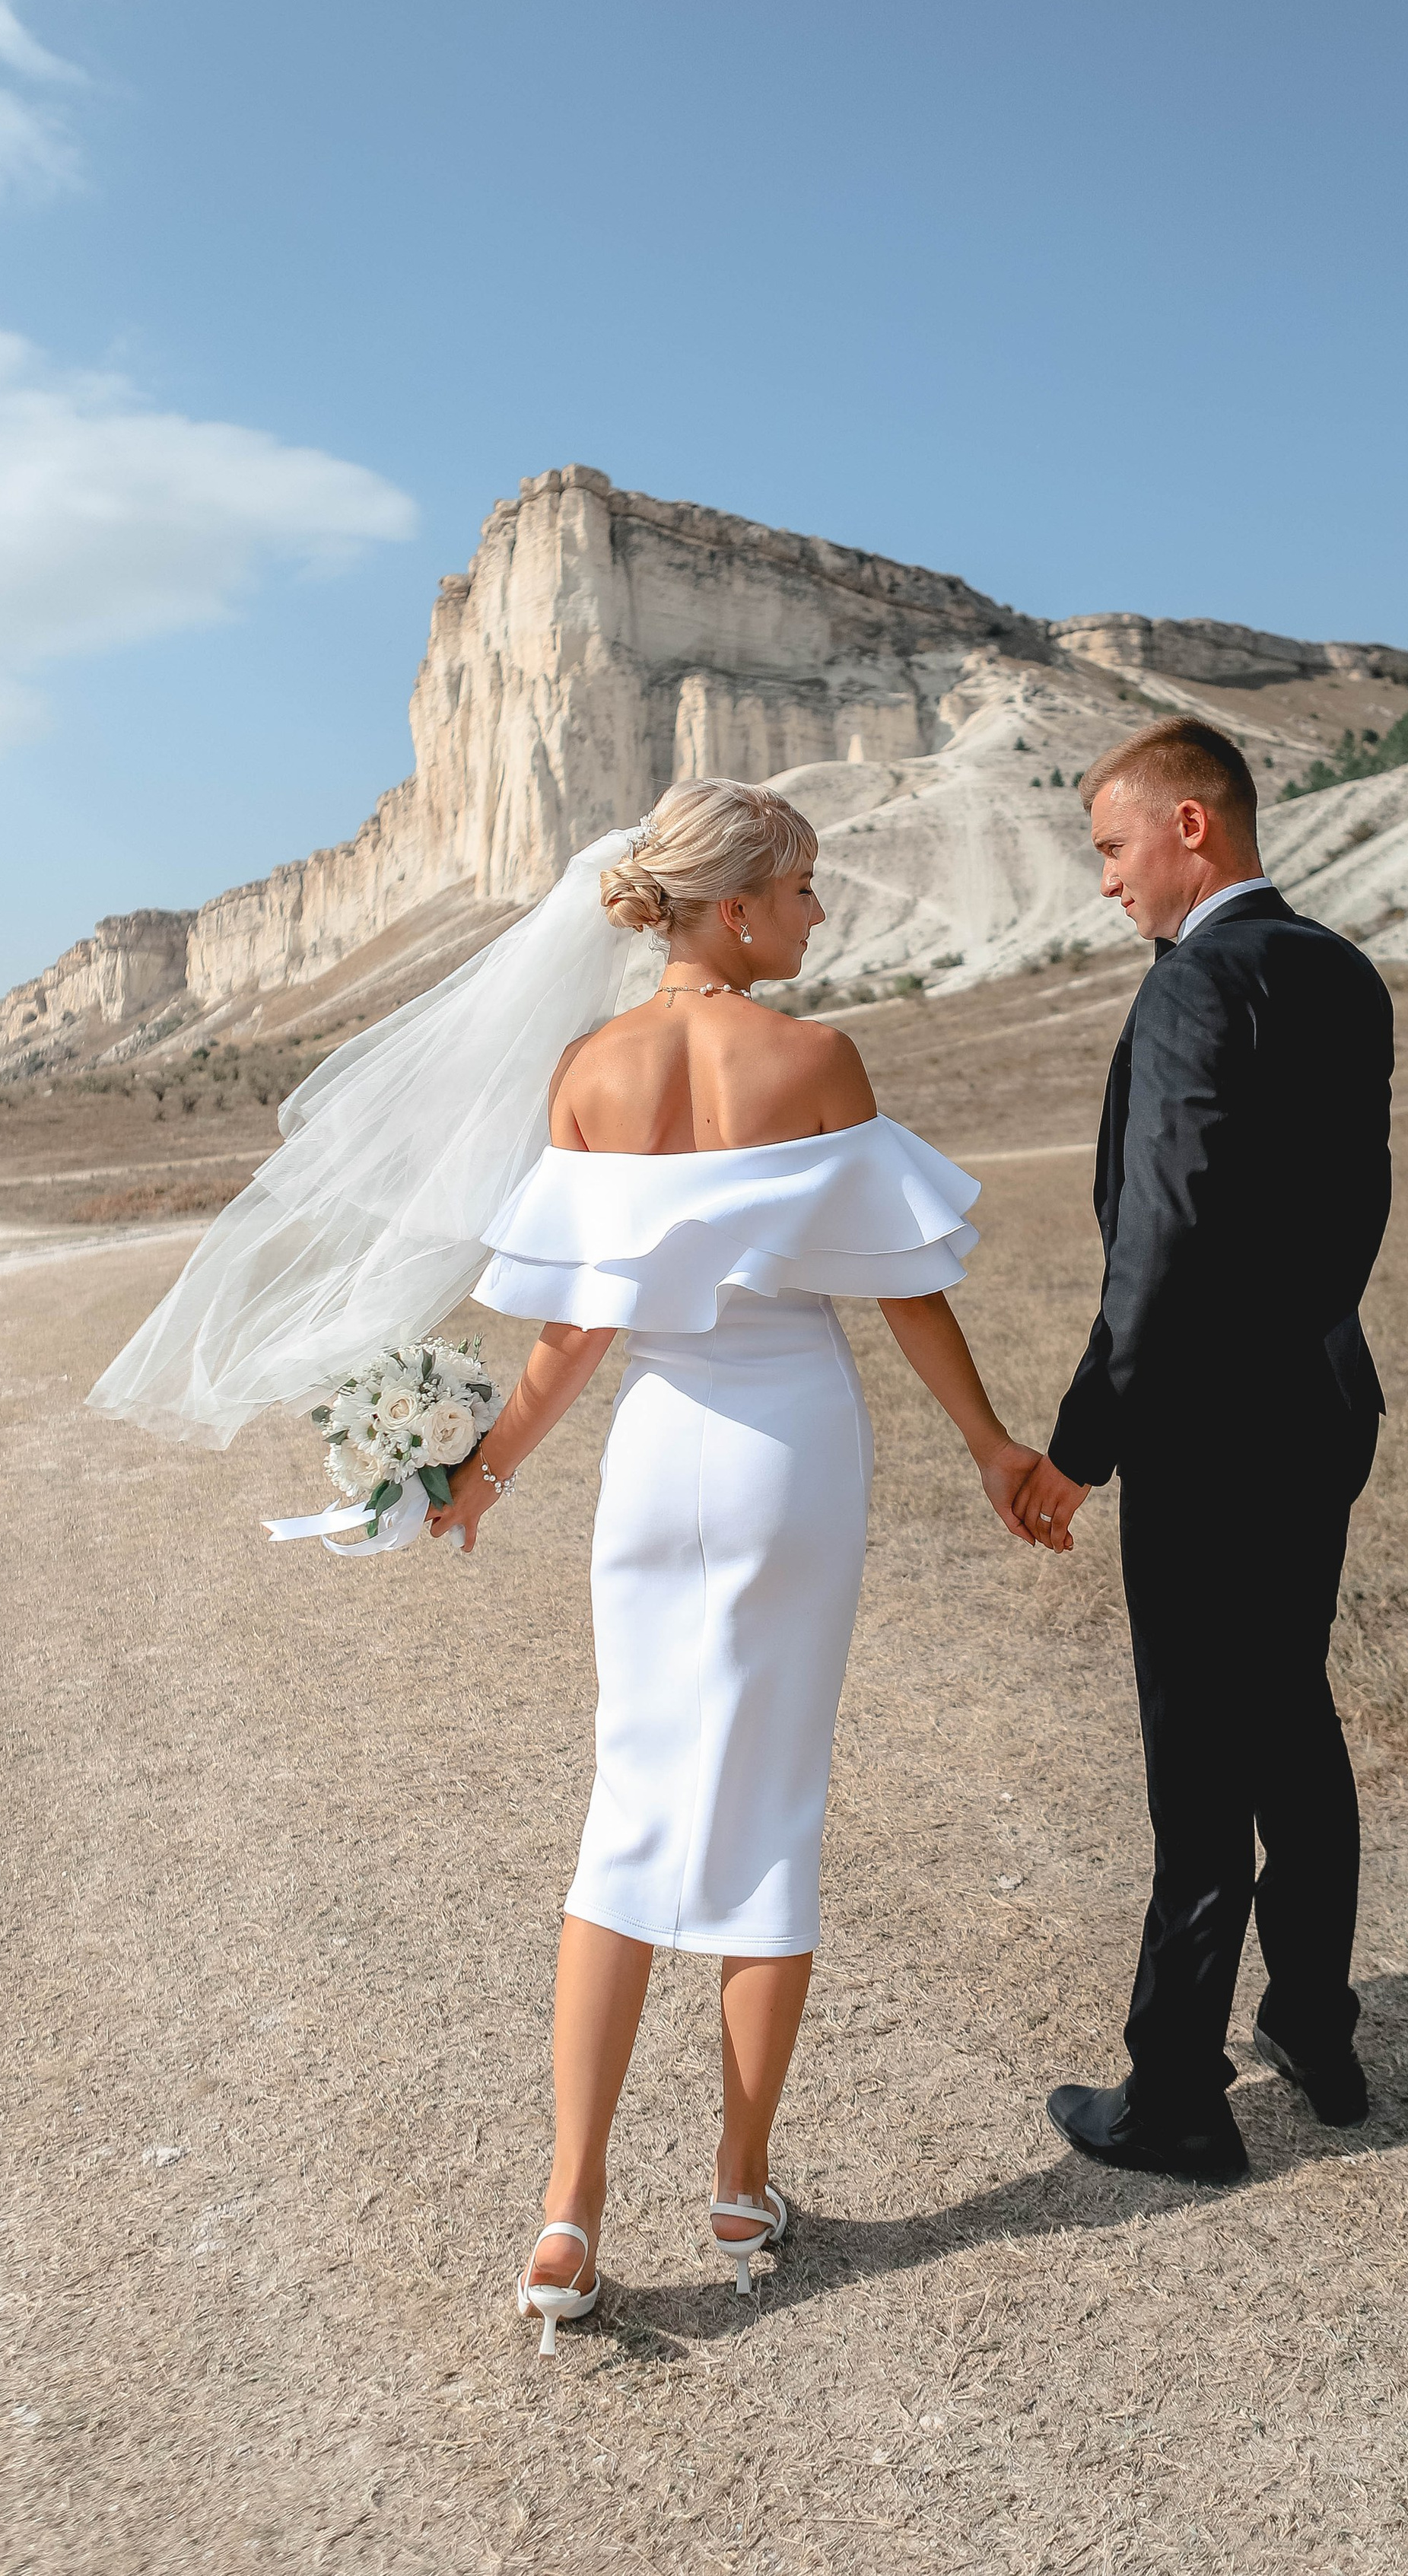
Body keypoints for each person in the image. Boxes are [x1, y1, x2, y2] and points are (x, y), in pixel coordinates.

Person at [431, 780, 1043, 2352]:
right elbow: (902, 1283)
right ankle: (736, 2181)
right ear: (732, 905)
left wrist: (485, 1473)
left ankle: (567, 2209)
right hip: (785, 1450)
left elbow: (573, 1328)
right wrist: (986, 1443)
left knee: (624, 1802)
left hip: (647, 1456)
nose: (816, 915)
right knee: (770, 1800)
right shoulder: (815, 1058)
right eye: (802, 887)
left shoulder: (588, 1069)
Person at [1015, 718, 1393, 2185]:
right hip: (1319, 1408)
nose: (1106, 884)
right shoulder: (1340, 970)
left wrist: (1079, 1444)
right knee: (1293, 1714)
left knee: (1199, 1762)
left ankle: (1177, 2087)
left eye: (1111, 849)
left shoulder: (1194, 984)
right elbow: (1352, 1209)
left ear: (1189, 827)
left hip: (1205, 1433)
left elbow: (1159, 1245)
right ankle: (1316, 2025)